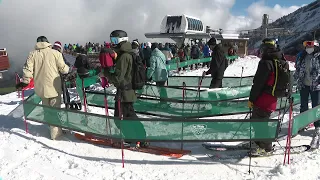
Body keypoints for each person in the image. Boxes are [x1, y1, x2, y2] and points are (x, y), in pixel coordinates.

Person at [16, 36, 69, 140]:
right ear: (47, 42)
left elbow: (27, 69)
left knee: (47, 109)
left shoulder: (32, 54)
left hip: (41, 89)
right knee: (55, 110)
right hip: (54, 88)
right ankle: (56, 134)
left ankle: (52, 127)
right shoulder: (55, 53)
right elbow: (64, 69)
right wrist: (68, 69)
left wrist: (25, 81)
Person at [105, 30, 147, 147]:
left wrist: (106, 73)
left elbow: (118, 78)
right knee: (125, 116)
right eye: (111, 40)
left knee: (127, 117)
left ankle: (138, 138)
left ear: (121, 40)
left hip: (125, 92)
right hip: (126, 92)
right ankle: (135, 138)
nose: (112, 43)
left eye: (114, 40)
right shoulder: (127, 53)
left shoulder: (124, 56)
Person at [248, 38, 287, 153]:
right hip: (272, 98)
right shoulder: (281, 61)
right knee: (262, 121)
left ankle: (265, 147)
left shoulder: (266, 62)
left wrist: (251, 99)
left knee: (259, 123)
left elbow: (258, 83)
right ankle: (260, 143)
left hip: (262, 98)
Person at [294, 40, 320, 148]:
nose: (309, 48)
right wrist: (295, 79)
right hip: (304, 85)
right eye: (307, 47)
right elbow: (298, 69)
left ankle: (317, 126)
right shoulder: (301, 56)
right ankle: (302, 123)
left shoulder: (318, 57)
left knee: (316, 106)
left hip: (316, 86)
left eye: (311, 46)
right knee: (303, 105)